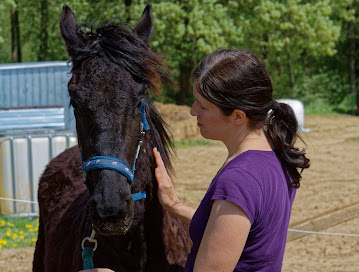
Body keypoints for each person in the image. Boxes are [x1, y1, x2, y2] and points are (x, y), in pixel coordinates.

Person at [82, 48, 310, 272]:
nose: (192, 111)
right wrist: (175, 206)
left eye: (202, 106)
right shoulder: (272, 157)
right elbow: (236, 232)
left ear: (238, 116)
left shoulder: (239, 179)